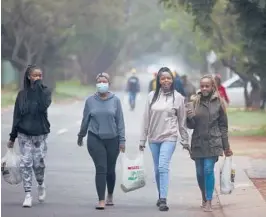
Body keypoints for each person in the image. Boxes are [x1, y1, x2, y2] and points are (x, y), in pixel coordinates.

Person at [139, 67, 189, 212]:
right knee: (157, 169)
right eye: (163, 78)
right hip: (153, 138)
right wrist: (142, 140)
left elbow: (182, 121)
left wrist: (185, 140)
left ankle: (163, 199)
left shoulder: (178, 97)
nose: (166, 80)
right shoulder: (151, 96)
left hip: (170, 137)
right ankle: (160, 194)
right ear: (159, 81)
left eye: (168, 78)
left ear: (172, 80)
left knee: (163, 166)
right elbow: (145, 119)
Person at [77, 72, 126, 210]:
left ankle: (110, 194)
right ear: (96, 84)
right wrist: (81, 135)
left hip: (113, 139)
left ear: (109, 84)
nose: (102, 84)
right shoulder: (90, 101)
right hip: (95, 138)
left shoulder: (115, 100)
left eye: (104, 82)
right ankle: (101, 200)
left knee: (110, 170)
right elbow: (85, 119)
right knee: (101, 168)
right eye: (99, 82)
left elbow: (120, 122)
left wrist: (122, 140)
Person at [186, 74, 233, 212]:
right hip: (198, 142)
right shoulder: (195, 102)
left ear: (213, 86)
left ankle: (209, 200)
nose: (204, 88)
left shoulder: (219, 102)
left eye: (207, 86)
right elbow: (191, 126)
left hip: (214, 141)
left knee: (208, 169)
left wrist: (226, 147)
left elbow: (223, 126)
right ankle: (204, 196)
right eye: (202, 86)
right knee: (200, 173)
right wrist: (189, 117)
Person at [7, 65, 52, 208]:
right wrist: (12, 137)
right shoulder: (22, 95)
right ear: (28, 77)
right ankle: (27, 194)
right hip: (24, 133)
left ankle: (40, 183)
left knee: (38, 164)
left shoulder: (45, 92)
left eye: (40, 75)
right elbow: (17, 116)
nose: (37, 78)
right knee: (26, 163)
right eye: (34, 75)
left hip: (40, 134)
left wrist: (38, 87)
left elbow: (44, 106)